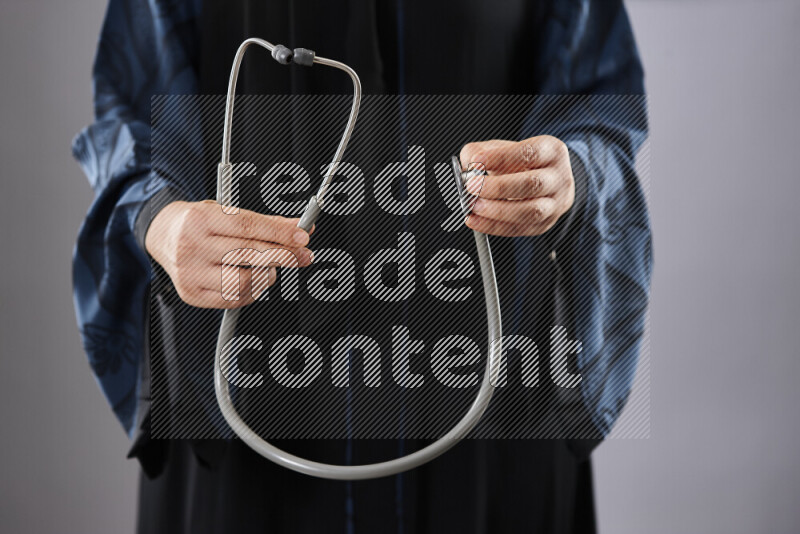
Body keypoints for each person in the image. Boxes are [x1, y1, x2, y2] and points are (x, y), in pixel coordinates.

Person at [71, 1, 651, 532]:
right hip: (245, 418)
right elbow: (130, 115)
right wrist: (161, 221)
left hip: (489, 416)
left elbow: (602, 108)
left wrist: (572, 175)